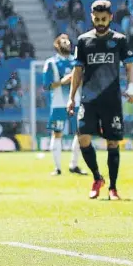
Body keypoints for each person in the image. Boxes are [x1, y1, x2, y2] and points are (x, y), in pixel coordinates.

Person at [67, 0, 133, 200]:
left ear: (110, 18)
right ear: (91, 17)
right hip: (88, 99)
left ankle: (113, 188)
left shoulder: (120, 40)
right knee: (83, 138)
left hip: (111, 100)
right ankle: (98, 178)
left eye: (104, 19)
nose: (100, 23)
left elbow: (130, 67)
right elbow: (77, 70)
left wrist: (131, 88)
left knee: (113, 143)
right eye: (97, 19)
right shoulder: (83, 41)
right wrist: (71, 98)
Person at [42, 34, 87, 176]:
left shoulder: (76, 62)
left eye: (68, 41)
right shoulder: (51, 63)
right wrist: (63, 81)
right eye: (63, 41)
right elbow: (46, 86)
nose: (67, 43)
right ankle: (58, 168)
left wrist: (77, 80)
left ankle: (74, 165)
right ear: (57, 45)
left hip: (76, 102)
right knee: (57, 134)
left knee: (80, 133)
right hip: (59, 104)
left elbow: (85, 80)